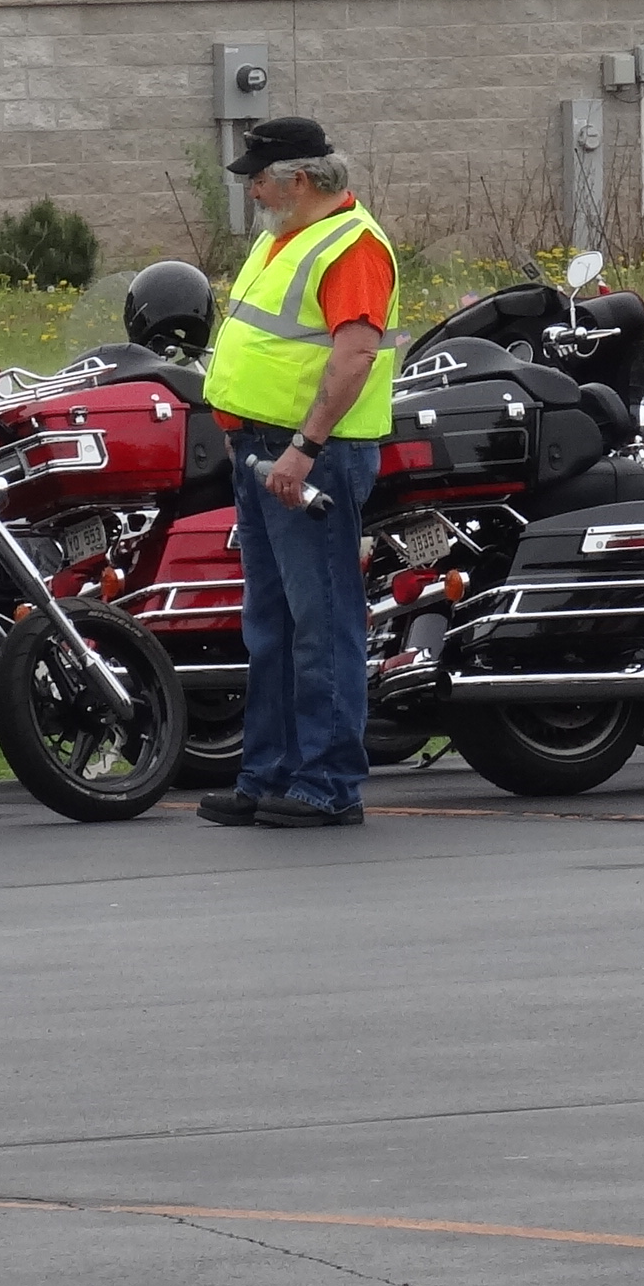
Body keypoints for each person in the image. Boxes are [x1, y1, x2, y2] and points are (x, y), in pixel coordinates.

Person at [196, 118, 398, 830]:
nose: (251, 190)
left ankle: (328, 783)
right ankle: (270, 775)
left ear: (300, 180)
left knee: (321, 622)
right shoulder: (283, 237)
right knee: (272, 624)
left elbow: (354, 354)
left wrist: (304, 447)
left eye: (259, 178)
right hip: (263, 452)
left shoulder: (351, 246)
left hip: (310, 457)